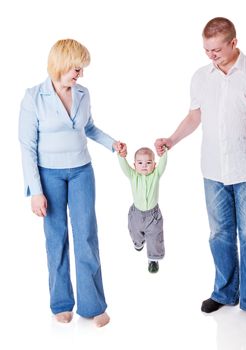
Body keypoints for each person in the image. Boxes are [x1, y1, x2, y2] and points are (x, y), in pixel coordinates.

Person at [155, 17, 246, 331]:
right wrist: (171, 140)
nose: (210, 55)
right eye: (206, 49)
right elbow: (194, 115)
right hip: (213, 170)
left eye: (216, 49)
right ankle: (225, 293)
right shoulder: (201, 77)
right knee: (219, 235)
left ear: (233, 42)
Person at [18, 39, 127, 327]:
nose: (80, 74)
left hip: (81, 172)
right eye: (77, 68)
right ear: (62, 64)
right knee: (56, 240)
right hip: (48, 175)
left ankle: (93, 306)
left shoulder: (82, 93)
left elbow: (88, 127)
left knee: (86, 236)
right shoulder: (33, 97)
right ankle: (61, 303)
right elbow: (27, 146)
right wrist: (36, 192)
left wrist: (112, 144)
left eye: (81, 69)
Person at [117, 147, 167, 273]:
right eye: (140, 163)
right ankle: (138, 243)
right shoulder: (133, 175)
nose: (144, 166)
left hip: (153, 216)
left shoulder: (156, 174)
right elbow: (124, 167)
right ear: (134, 165)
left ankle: (153, 259)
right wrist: (121, 155)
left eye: (148, 162)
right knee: (135, 232)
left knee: (155, 237)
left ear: (154, 164)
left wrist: (164, 152)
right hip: (136, 214)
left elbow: (163, 164)